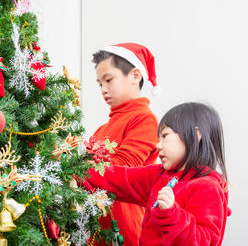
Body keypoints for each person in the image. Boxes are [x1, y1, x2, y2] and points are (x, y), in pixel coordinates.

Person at [86, 102, 231, 246]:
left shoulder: (207, 187)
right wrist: (82, 170)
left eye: (165, 136)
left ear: (196, 134)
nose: (158, 145)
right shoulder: (161, 175)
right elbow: (121, 179)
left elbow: (205, 241)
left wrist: (172, 214)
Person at [84, 43, 160, 245]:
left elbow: (122, 169)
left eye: (109, 80)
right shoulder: (102, 129)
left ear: (135, 76)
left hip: (125, 228)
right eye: (100, 84)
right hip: (95, 227)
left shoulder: (144, 119)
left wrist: (79, 167)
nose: (103, 89)